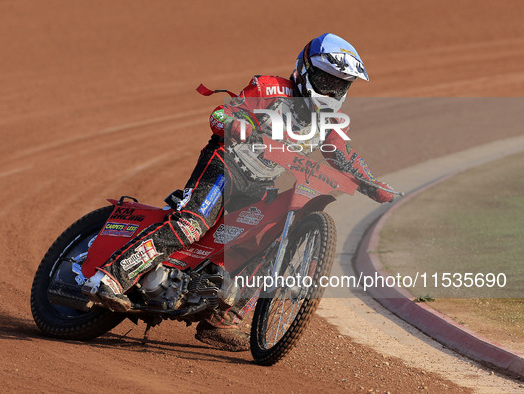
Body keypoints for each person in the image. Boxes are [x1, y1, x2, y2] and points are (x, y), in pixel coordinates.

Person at [82, 33, 395, 352]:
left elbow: (345, 156)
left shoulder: (330, 122)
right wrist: (236, 123)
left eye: (339, 84)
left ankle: (218, 321)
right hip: (225, 167)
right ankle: (111, 276)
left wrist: (375, 185)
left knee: (267, 244)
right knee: (191, 224)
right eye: (324, 78)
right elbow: (220, 114)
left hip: (260, 187)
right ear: (303, 70)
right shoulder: (270, 88)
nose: (330, 89)